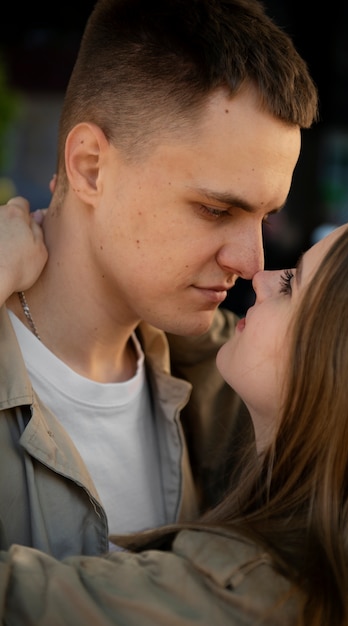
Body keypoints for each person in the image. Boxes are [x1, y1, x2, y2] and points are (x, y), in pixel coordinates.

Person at [0, 0, 319, 559]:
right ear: (91, 167)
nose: (252, 263)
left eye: (265, 218)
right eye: (216, 210)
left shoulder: (234, 384)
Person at [1, 205, 348, 626]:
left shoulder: (240, 599)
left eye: (291, 285)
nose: (259, 270)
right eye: (215, 211)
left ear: (342, 370)